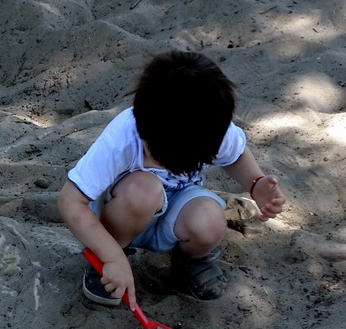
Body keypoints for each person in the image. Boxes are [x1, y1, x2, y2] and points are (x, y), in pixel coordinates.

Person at [56, 50, 286, 308]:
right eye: (156, 156)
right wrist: (111, 258)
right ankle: (107, 255)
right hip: (122, 213)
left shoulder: (211, 127)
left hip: (176, 204)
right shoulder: (121, 138)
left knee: (211, 221)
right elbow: (70, 202)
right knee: (142, 190)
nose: (164, 164)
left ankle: (188, 261)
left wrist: (256, 184)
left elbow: (235, 155)